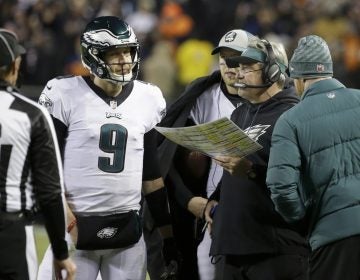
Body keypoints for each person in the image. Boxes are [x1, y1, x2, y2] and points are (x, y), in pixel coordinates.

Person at [36, 16, 178, 280]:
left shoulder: (148, 97)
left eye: (127, 51)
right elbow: (47, 170)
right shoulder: (64, 92)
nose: (124, 59)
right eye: (114, 53)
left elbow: (151, 176)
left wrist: (166, 235)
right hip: (76, 229)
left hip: (127, 233)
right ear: (92, 56)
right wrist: (68, 223)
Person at [204, 35, 309, 280]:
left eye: (247, 67)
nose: (238, 74)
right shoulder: (240, 114)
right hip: (232, 247)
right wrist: (216, 197)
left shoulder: (294, 114)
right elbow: (236, 167)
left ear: (273, 72)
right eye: (237, 67)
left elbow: (300, 179)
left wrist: (252, 171)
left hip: (275, 248)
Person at [157, 29, 251, 280]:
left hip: (255, 208)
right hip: (213, 211)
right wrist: (188, 199)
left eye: (237, 60)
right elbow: (169, 157)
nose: (230, 67)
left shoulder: (269, 101)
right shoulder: (202, 97)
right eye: (224, 60)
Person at [267, 35, 360, 280]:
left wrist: (303, 221)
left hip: (334, 237)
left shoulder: (291, 120)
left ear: (298, 79)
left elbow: (281, 187)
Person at [0, 28, 76, 280]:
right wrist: (61, 251)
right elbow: (49, 190)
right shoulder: (29, 114)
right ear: (15, 64)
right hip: (9, 230)